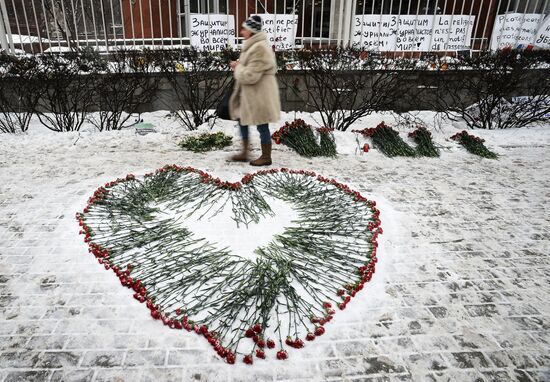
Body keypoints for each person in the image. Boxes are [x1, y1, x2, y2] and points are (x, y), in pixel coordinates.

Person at [229, 15, 281, 166]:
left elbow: (250, 75)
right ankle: (245, 152)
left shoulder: (259, 48)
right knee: (241, 119)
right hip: (250, 94)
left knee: (262, 124)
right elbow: (250, 66)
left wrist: (237, 67)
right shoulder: (252, 45)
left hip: (260, 95)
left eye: (244, 29)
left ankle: (266, 157)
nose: (241, 32)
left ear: (251, 31)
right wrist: (240, 64)